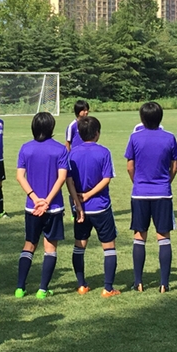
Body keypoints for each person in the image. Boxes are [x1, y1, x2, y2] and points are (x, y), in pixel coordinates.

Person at [124, 102, 177, 293]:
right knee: (163, 236)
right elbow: (174, 166)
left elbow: (130, 166)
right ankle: (164, 283)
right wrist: (166, 181)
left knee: (140, 236)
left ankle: (138, 282)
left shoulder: (135, 138)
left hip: (140, 193)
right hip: (163, 193)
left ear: (142, 118)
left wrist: (137, 182)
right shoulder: (169, 138)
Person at [15, 112, 68, 299]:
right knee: (50, 248)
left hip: (32, 207)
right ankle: (42, 290)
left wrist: (35, 198)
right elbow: (62, 177)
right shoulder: (60, 149)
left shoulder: (25, 148)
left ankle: (20, 288)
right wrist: (46, 200)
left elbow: (20, 176)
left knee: (29, 244)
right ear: (51, 128)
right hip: (53, 207)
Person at [66, 116, 119, 297]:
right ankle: (108, 288)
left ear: (79, 133)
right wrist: (89, 195)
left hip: (80, 209)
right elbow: (106, 178)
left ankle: (81, 285)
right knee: (109, 246)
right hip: (101, 207)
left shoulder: (72, 153)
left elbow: (69, 180)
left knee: (79, 245)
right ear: (97, 133)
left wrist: (77, 200)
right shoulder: (104, 152)